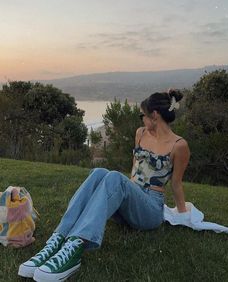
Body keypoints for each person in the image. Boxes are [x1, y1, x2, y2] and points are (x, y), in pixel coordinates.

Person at [18, 89, 190, 282]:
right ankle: (58, 238)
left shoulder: (179, 145)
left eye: (143, 115)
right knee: (100, 172)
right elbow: (134, 171)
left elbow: (176, 183)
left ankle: (75, 247)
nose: (141, 120)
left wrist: (184, 214)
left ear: (155, 115)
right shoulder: (140, 133)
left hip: (150, 210)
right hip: (128, 204)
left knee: (114, 177)